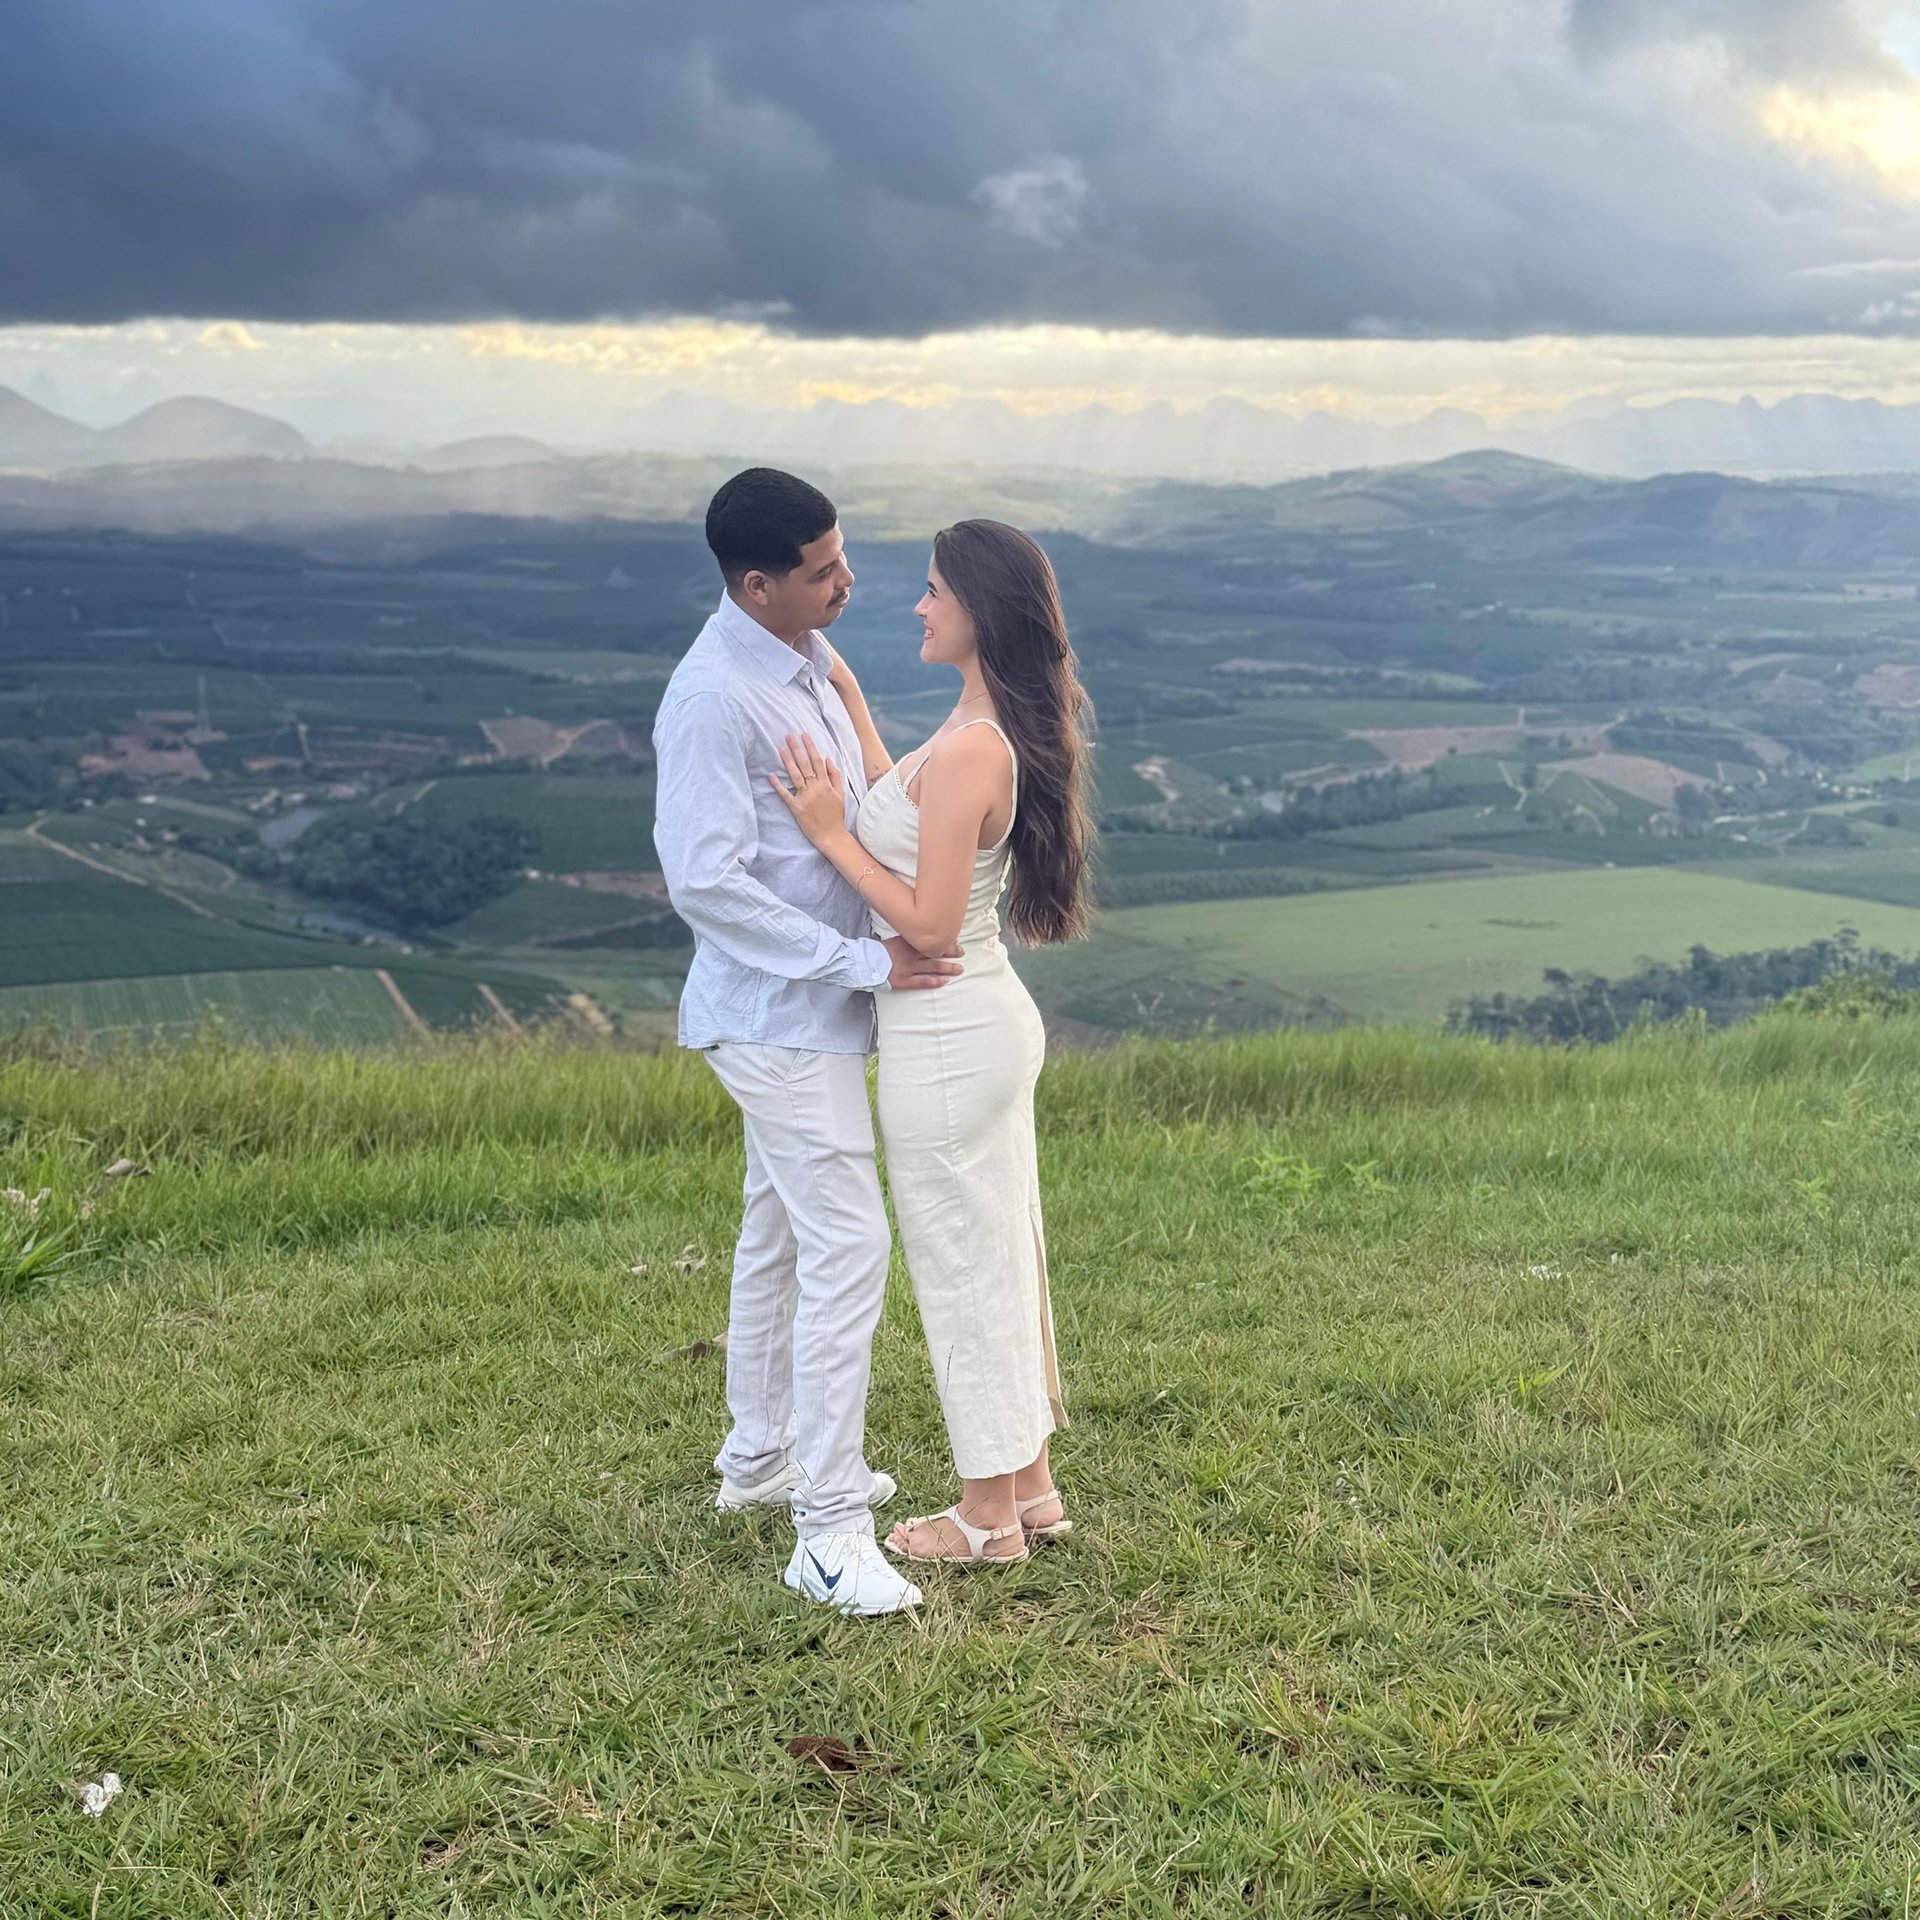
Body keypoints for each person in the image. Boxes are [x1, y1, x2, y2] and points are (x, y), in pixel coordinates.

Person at [652, 467, 962, 1618]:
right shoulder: (715, 698)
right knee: (848, 1241)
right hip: (774, 1019)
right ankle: (828, 1532)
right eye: (823, 570)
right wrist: (860, 961)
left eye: (843, 557)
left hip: (812, 1012)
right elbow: (705, 881)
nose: (849, 582)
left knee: (780, 1233)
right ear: (757, 584)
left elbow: (865, 803)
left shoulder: (810, 661)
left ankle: (757, 1461)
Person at [769, 518, 1094, 1566]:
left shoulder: (968, 751)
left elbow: (929, 923)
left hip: (949, 1037)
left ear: (979, 612)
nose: (917, 605)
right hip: (977, 1025)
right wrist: (851, 699)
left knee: (962, 1265)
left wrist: (826, 835)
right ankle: (1029, 1487)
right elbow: (898, 813)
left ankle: (983, 1518)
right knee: (998, 1250)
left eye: (934, 591)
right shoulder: (974, 734)